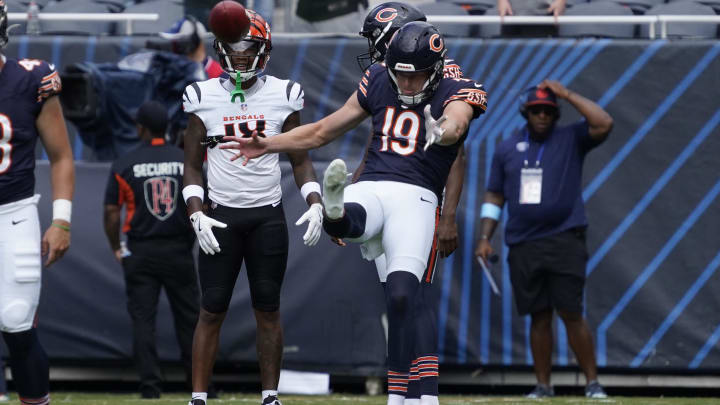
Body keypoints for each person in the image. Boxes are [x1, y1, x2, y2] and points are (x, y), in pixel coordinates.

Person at [221, 22, 488, 405]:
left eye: (416, 78)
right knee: (355, 213)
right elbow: (322, 131)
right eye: (401, 75)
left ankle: (401, 399)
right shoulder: (380, 76)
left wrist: (441, 130)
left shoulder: (456, 87)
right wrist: (266, 144)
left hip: (418, 196)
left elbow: (457, 122)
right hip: (374, 183)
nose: (406, 85)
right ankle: (334, 211)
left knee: (401, 297)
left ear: (436, 68)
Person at [181, 10, 323, 405]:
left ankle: (270, 395)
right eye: (234, 48)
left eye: (250, 49)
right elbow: (192, 165)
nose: (241, 57)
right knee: (210, 309)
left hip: (267, 215)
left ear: (264, 51)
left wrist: (315, 202)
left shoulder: (284, 94)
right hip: (220, 214)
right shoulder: (201, 96)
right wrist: (196, 212)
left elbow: (300, 158)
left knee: (268, 307)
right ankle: (198, 397)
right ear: (220, 48)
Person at [353, 3, 467, 404]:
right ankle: (405, 394)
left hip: (419, 195)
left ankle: (425, 395)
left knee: (412, 295)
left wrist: (448, 215)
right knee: (397, 296)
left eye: (376, 39)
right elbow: (380, 135)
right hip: (386, 190)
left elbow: (455, 150)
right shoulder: (388, 77)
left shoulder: (441, 75)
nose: (372, 48)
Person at [474, 81, 611, 398]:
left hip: (564, 238)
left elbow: (604, 123)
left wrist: (566, 94)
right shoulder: (507, 148)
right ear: (525, 112)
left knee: (571, 312)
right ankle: (543, 386)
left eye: (548, 110)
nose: (542, 116)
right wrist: (484, 237)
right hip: (523, 243)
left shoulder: (571, 138)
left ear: (556, 113)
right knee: (538, 315)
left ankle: (592, 384)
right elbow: (494, 196)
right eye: (536, 110)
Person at [0, 1, 75, 404]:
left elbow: (62, 156)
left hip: (13, 214)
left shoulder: (31, 79)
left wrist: (61, 221)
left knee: (16, 319)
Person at [102, 101, 200, 399]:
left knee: (143, 320)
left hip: (141, 251)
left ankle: (150, 386)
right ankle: (199, 386)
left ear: (141, 127)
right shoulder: (186, 161)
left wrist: (117, 246)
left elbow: (111, 213)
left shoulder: (124, 164)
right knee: (192, 320)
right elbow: (201, 205)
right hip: (178, 250)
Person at [158, 16, 224, 80]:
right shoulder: (170, 73)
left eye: (176, 43)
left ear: (193, 43)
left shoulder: (219, 76)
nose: (172, 48)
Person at [496, 0, 566, 37]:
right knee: (510, 60)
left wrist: (561, 1)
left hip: (544, 14)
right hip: (511, 14)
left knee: (542, 60)